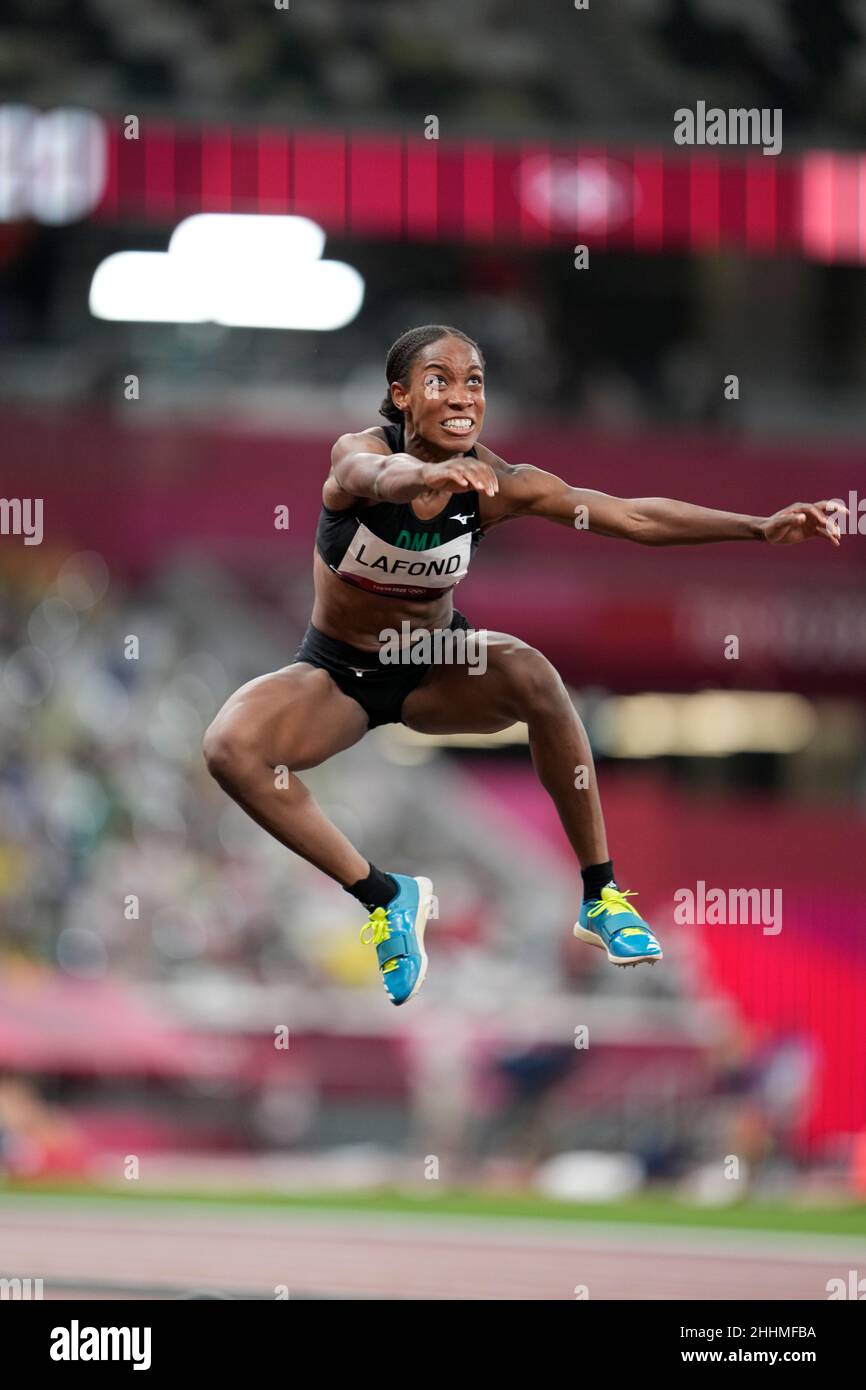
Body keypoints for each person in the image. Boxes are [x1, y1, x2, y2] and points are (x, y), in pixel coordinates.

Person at [203, 324, 843, 1005]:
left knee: (536, 675)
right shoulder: (358, 455)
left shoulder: (501, 486)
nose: (461, 396)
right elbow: (374, 477)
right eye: (439, 380)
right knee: (229, 748)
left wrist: (760, 526)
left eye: (474, 381)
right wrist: (425, 474)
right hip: (338, 675)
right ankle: (386, 897)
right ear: (400, 395)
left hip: (435, 664)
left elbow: (633, 519)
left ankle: (601, 895)